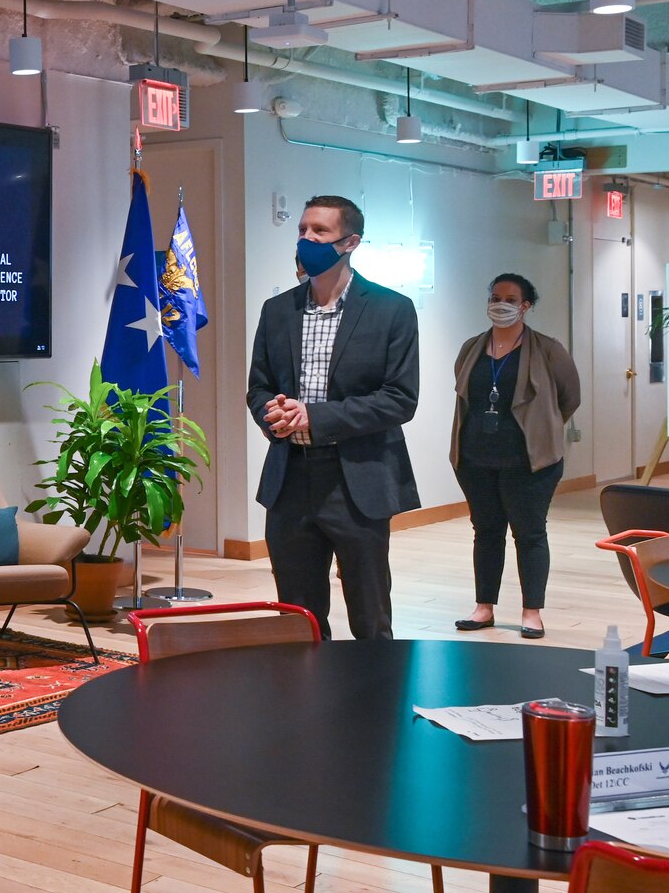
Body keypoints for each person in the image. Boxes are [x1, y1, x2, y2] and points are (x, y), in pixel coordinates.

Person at [247, 194, 420, 640]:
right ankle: (306, 703)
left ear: (350, 242)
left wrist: (314, 417)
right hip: (290, 478)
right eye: (303, 229)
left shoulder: (391, 309)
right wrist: (276, 416)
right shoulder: (277, 310)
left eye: (320, 231)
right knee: (297, 615)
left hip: (357, 478)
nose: (307, 238)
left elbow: (400, 399)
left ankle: (375, 701)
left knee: (369, 613)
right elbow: (259, 387)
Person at [450, 273, 581, 639]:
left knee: (530, 533)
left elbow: (569, 398)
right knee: (486, 531)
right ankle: (484, 608)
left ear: (526, 306)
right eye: (495, 297)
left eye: (510, 299)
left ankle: (531, 611)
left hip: (530, 462)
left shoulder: (548, 349)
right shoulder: (471, 348)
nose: (501, 305)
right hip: (476, 458)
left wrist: (543, 428)